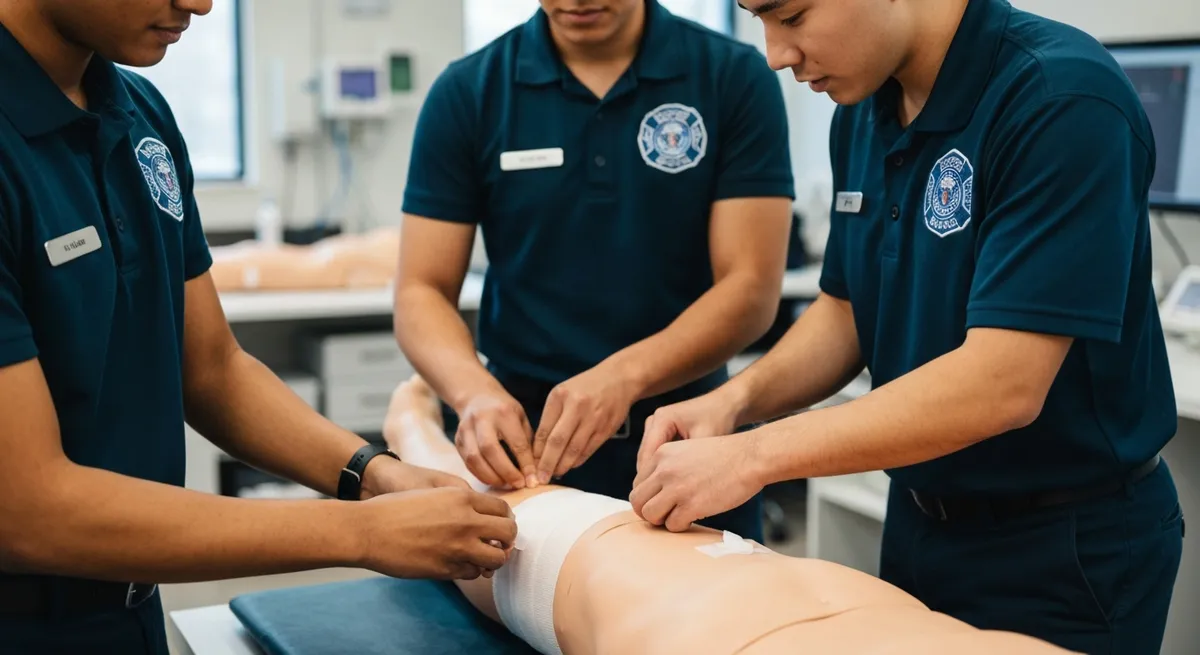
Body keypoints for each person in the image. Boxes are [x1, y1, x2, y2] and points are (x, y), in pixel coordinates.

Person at [631, 0, 1185, 653]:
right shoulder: (864, 110)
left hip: (1062, 546)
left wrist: (754, 456)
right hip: (921, 520)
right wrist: (732, 402)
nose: (777, 53)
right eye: (758, 20)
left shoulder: (1061, 99)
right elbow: (845, 311)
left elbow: (1002, 383)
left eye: (793, 15)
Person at [0, 2, 515, 653]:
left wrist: (370, 472)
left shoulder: (138, 114)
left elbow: (212, 368)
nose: (202, 4)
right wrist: (360, 533)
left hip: (126, 612)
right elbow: (27, 509)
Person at [395, 0, 795, 543]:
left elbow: (750, 288)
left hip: (687, 441)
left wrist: (624, 378)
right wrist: (473, 395)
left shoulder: (732, 77)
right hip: (525, 449)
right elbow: (421, 290)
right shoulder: (470, 91)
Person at [382, 374, 1078, 655]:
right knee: (513, 523)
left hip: (713, 612)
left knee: (522, 525)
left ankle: (414, 436)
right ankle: (414, 436)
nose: (780, 57)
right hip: (740, 599)